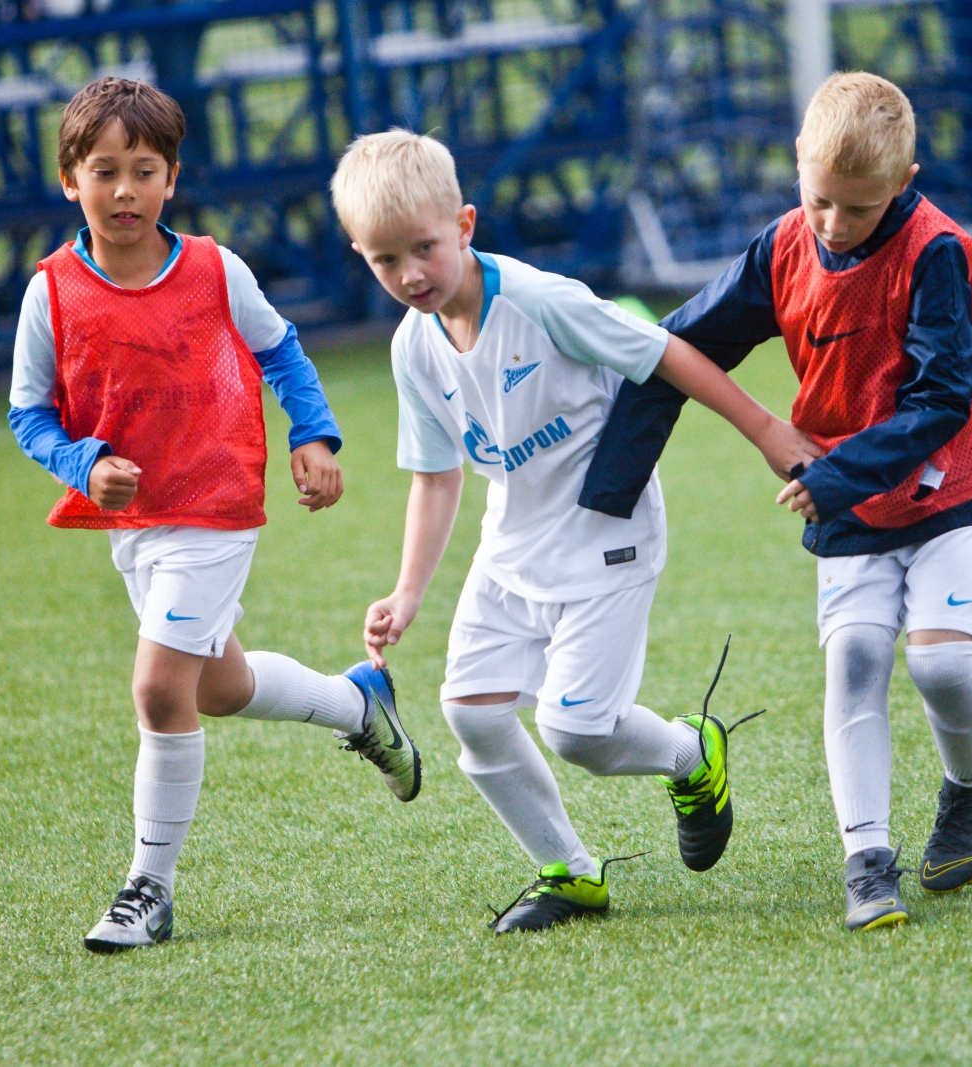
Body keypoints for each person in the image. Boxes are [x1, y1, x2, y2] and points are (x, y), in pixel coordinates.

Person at [331, 130, 818, 932]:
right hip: (511, 546)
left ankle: (691, 757)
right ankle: (571, 872)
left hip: (607, 536)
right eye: (386, 260)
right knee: (474, 712)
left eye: (423, 247)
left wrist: (767, 430)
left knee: (576, 729)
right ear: (361, 254)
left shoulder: (541, 302)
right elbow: (436, 474)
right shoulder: (412, 347)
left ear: (464, 225)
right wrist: (406, 590)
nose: (411, 274)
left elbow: (669, 353)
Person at [581, 72, 972, 931]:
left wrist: (836, 476)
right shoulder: (782, 246)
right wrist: (606, 492)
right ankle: (868, 862)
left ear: (906, 182)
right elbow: (681, 346)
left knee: (937, 665)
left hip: (948, 492)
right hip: (848, 504)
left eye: (859, 209)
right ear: (797, 169)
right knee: (853, 662)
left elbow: (942, 398)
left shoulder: (934, 252)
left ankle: (971, 783)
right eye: (820, 201)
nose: (834, 225)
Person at [7, 78, 422, 953]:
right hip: (136, 524)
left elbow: (280, 349)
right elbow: (28, 415)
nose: (124, 190)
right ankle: (358, 705)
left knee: (160, 690)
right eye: (104, 171)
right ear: (68, 180)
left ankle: (147, 890)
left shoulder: (213, 267)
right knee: (217, 688)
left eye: (144, 171)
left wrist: (313, 434)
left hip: (217, 505)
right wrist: (83, 463)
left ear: (172, 178)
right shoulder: (49, 291)